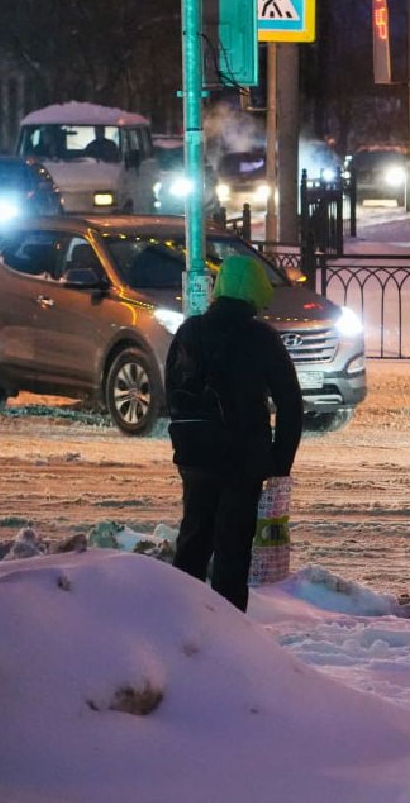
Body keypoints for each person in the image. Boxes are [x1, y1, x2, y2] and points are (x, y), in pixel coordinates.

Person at [165, 255, 303, 612]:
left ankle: (181, 621)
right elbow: (289, 402)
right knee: (232, 549)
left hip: (195, 454)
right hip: (243, 458)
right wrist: (279, 461)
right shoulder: (260, 337)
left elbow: (173, 390)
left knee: (193, 539)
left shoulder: (189, 331)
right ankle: (226, 633)